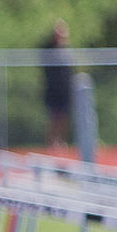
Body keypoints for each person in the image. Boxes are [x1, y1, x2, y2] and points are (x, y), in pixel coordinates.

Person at [43, 19, 74, 150]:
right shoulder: (48, 49)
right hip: (53, 90)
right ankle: (51, 142)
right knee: (54, 117)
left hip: (65, 89)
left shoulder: (67, 50)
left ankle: (61, 141)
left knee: (64, 117)